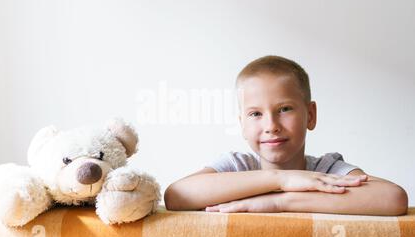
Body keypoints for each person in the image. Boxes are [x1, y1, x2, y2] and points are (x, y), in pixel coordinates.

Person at [164, 55, 408, 216]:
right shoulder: (237, 166)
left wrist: (280, 202)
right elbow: (176, 195)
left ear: (310, 115)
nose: (271, 125)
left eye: (284, 109)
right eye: (256, 114)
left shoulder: (326, 170)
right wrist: (282, 180)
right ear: (242, 124)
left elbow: (393, 198)